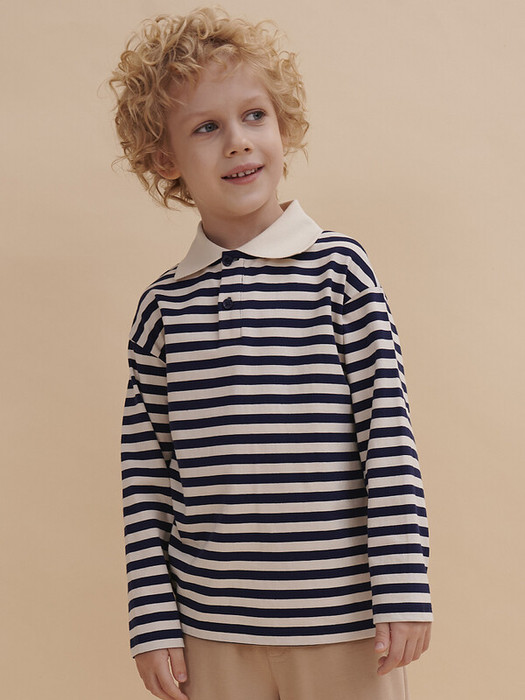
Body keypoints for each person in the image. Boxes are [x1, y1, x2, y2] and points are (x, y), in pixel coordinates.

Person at [110, 7, 432, 700]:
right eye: (206, 127)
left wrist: (404, 584)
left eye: (254, 116)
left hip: (345, 623)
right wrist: (153, 620)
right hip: (211, 631)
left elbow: (387, 432)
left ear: (282, 127)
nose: (237, 142)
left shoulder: (339, 272)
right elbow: (146, 477)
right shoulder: (163, 309)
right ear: (165, 159)